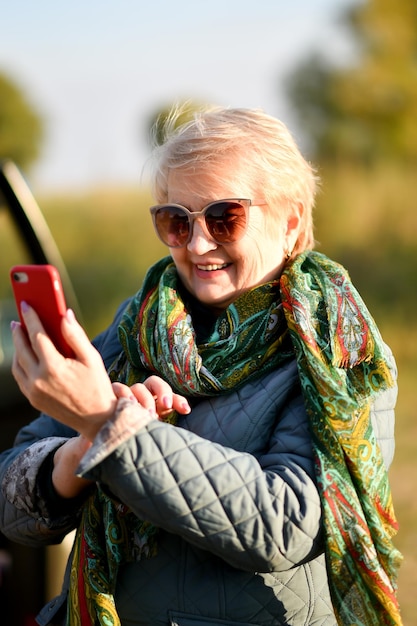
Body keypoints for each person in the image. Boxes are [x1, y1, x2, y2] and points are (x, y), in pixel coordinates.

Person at [0, 107, 403, 626]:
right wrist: (82, 446)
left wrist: (111, 427)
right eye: (175, 220)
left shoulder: (338, 348)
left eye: (223, 217)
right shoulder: (138, 326)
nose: (197, 243)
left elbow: (286, 524)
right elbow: (11, 505)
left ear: (291, 220)